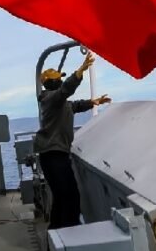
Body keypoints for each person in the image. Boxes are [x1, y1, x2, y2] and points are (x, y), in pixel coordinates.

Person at [34, 51, 110, 230]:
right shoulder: (51, 99)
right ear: (50, 82)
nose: (60, 80)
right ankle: (66, 234)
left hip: (56, 154)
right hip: (53, 155)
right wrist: (80, 72)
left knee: (65, 197)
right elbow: (65, 90)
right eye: (58, 78)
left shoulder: (59, 102)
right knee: (68, 196)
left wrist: (94, 102)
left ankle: (60, 234)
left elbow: (74, 106)